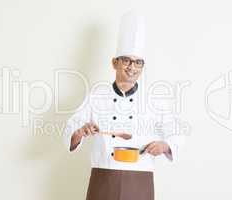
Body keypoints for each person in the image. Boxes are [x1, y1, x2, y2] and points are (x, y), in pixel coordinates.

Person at [63, 10, 185, 200]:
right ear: (114, 63)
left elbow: (177, 132)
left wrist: (165, 145)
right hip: (103, 177)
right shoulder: (97, 95)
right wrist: (80, 132)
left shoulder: (154, 100)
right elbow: (70, 129)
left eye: (138, 62)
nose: (132, 67)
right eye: (127, 60)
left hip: (140, 179)